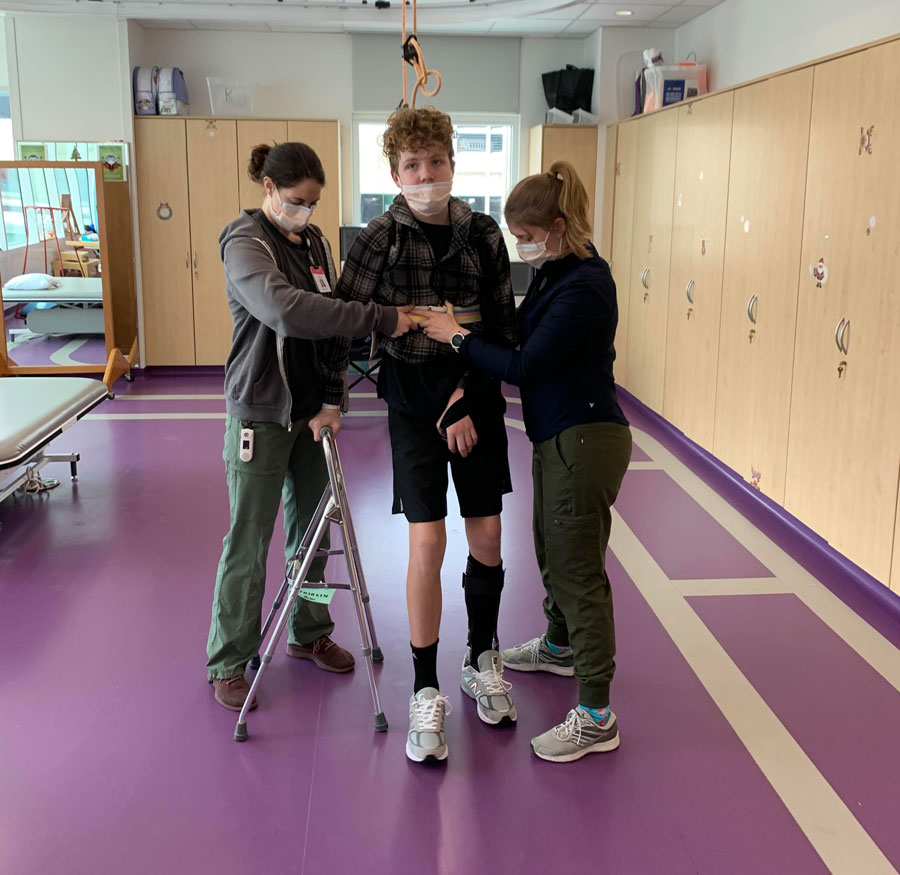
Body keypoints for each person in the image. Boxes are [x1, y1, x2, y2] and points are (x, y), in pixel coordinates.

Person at [320, 107, 518, 763]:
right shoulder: (379, 239)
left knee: (487, 533)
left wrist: (467, 395)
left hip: (475, 394)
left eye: (436, 161)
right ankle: (425, 687)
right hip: (410, 402)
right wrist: (330, 397)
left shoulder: (482, 235)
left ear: (453, 163)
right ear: (395, 174)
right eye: (413, 165)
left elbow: (503, 330)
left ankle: (482, 657)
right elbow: (343, 322)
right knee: (427, 541)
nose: (426, 174)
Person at [422, 160, 633, 763]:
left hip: (584, 440)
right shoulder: (554, 273)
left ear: (559, 226)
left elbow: (522, 366)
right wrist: (466, 326)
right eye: (516, 235)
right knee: (549, 548)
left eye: (528, 235)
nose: (522, 246)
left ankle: (597, 715)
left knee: (577, 571)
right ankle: (560, 647)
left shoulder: (585, 285)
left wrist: (456, 337)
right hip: (558, 439)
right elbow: (514, 332)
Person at [207, 141, 414, 712]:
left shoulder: (317, 243)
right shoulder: (245, 242)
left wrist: (332, 399)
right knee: (249, 540)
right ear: (269, 189)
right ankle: (228, 660)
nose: (306, 211)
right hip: (260, 412)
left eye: (314, 203)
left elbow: (332, 332)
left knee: (316, 538)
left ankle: (310, 629)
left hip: (311, 414)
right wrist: (381, 318)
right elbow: (288, 311)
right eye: (297, 200)